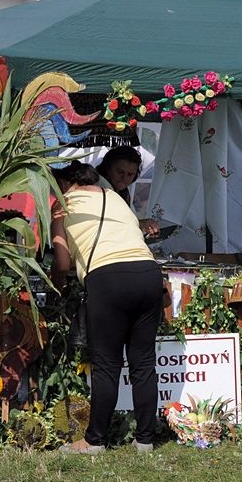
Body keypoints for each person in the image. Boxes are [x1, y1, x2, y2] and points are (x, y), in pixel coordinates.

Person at [51, 161, 162, 455]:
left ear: (63, 184)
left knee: (107, 366)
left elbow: (62, 263)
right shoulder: (113, 196)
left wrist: (55, 286)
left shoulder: (62, 206)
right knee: (143, 363)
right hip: (149, 273)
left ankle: (95, 440)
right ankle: (146, 439)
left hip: (107, 277)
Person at [95, 146, 160, 238]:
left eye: (130, 174)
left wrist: (144, 224)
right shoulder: (98, 188)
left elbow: (127, 219)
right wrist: (141, 223)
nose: (124, 178)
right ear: (107, 167)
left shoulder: (122, 192)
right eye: (120, 172)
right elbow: (115, 221)